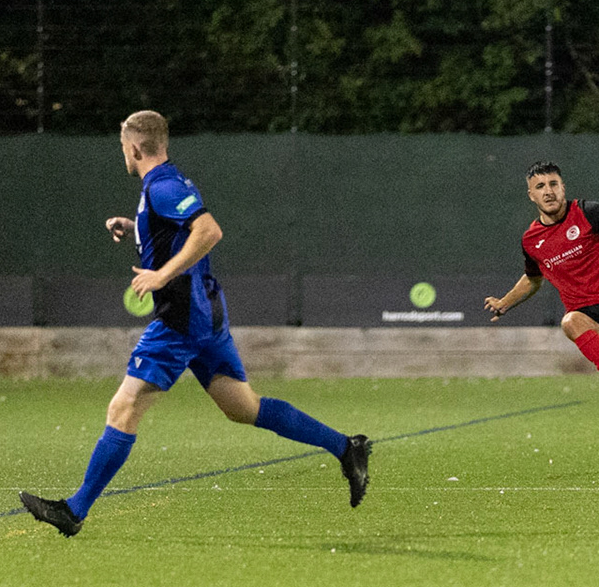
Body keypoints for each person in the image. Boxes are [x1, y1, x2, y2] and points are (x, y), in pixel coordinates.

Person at [21, 110, 370, 536]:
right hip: (206, 309)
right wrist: (136, 228)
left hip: (182, 316)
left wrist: (160, 275)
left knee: (124, 407)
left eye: (123, 148)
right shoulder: (168, 183)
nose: (123, 155)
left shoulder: (163, 186)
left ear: (134, 148)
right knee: (244, 408)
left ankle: (74, 511)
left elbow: (208, 231)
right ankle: (346, 448)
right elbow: (179, 233)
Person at [483, 161, 599, 485]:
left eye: (553, 184)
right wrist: (505, 302)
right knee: (570, 321)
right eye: (540, 186)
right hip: (587, 315)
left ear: (563, 187)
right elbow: (533, 278)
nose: (548, 191)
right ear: (531, 195)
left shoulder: (587, 212)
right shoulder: (531, 240)